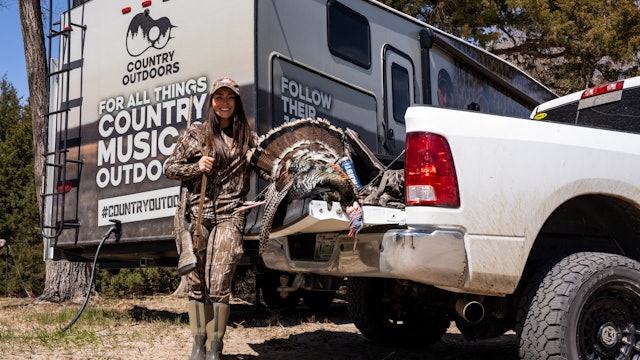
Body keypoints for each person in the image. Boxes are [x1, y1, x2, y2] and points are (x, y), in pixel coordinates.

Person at [164, 77, 255, 360]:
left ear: (236, 102)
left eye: (230, 97)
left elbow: (269, 167)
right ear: (212, 102)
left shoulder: (248, 139)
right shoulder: (196, 134)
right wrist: (196, 166)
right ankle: (198, 345)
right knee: (196, 283)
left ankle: (215, 347)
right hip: (198, 216)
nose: (224, 102)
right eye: (219, 97)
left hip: (230, 217)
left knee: (219, 283)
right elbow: (169, 167)